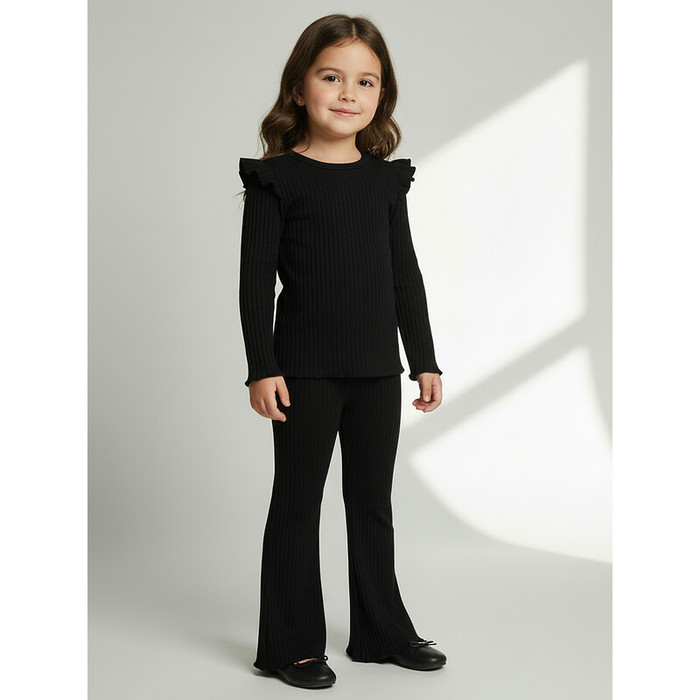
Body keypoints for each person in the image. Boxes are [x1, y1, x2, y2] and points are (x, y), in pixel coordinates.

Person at [238, 13, 446, 689]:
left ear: (382, 95)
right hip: (303, 372)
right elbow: (254, 283)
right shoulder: (275, 178)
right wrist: (263, 367)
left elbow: (404, 276)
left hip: (377, 371)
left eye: (366, 81)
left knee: (372, 502)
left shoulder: (385, 182)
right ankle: (290, 645)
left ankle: (381, 631)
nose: (348, 93)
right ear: (300, 88)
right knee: (298, 503)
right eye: (331, 77)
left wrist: (424, 359)